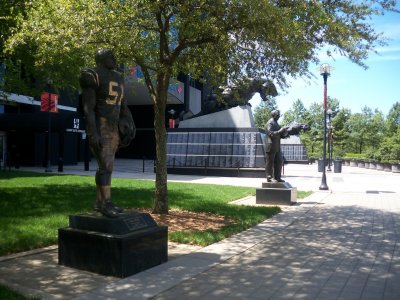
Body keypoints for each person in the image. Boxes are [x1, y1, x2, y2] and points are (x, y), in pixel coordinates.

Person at [80, 49, 135, 218]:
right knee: (106, 166)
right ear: (102, 58)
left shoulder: (118, 77)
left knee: (107, 165)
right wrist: (93, 132)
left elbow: (122, 104)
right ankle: (106, 203)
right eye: (110, 56)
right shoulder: (91, 75)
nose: (114, 58)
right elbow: (88, 108)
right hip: (101, 124)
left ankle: (100, 201)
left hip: (113, 125)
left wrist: (129, 121)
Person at [264, 110, 287, 183]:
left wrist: (285, 132)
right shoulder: (270, 123)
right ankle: (269, 177)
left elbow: (280, 135)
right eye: (278, 115)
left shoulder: (276, 123)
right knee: (270, 162)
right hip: (270, 146)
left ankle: (277, 177)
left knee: (279, 161)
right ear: (274, 115)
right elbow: (271, 134)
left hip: (277, 146)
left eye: (279, 115)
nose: (279, 116)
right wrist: (280, 131)